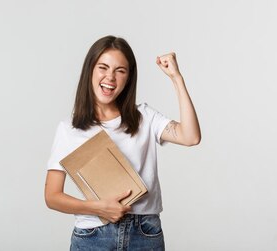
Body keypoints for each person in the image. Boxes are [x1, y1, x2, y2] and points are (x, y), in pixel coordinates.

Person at [44, 35, 201, 250]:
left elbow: (191, 137)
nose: (110, 77)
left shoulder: (144, 116)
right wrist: (98, 208)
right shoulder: (69, 128)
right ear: (90, 69)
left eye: (120, 70)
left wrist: (176, 78)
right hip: (92, 235)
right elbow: (52, 196)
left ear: (128, 78)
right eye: (103, 67)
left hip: (145, 232)